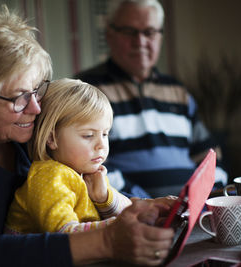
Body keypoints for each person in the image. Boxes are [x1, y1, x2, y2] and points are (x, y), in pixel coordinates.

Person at [0, 5, 176, 267]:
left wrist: (138, 207)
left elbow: (81, 185)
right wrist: (109, 240)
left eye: (37, 90)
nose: (36, 107)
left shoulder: (20, 129)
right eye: (19, 97)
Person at [75, 0, 228, 198]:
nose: (140, 41)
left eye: (149, 32)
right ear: (109, 35)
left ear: (160, 37)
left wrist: (207, 194)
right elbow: (85, 164)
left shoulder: (177, 91)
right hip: (129, 212)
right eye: (129, 31)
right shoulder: (86, 90)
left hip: (192, 209)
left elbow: (210, 155)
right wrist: (143, 202)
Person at [5, 78, 132, 234]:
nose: (101, 145)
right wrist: (121, 224)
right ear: (52, 138)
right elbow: (65, 235)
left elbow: (128, 211)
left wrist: (104, 197)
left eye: (105, 134)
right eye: (88, 135)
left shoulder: (87, 171)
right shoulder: (49, 177)